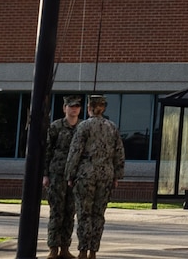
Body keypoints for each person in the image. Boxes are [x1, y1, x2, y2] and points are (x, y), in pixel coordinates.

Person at [64, 93, 123, 259]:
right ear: (103, 108)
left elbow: (75, 152)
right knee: (98, 215)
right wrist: (116, 176)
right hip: (106, 176)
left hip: (85, 175)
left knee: (84, 214)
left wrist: (70, 175)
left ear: (89, 107)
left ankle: (83, 250)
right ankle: (93, 251)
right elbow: (119, 153)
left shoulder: (84, 126)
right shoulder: (112, 127)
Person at [42, 94, 81, 259]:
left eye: (77, 106)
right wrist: (45, 174)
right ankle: (53, 248)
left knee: (70, 213)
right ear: (64, 108)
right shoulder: (56, 127)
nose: (74, 109)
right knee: (56, 212)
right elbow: (47, 151)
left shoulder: (83, 127)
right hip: (57, 175)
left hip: (75, 176)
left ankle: (65, 248)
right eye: (71, 106)